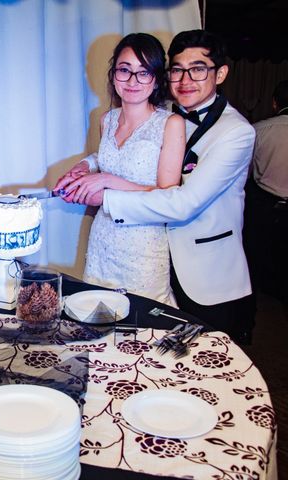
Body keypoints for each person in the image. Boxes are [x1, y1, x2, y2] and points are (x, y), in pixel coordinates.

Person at [62, 30, 256, 344]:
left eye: (198, 69)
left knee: (194, 360)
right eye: (177, 69)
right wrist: (88, 164)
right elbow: (126, 153)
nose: (185, 79)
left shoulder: (236, 133)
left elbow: (181, 202)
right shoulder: (156, 113)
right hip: (139, 250)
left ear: (220, 73)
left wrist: (107, 191)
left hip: (202, 271)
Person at [54, 32, 185, 306]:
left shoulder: (170, 124)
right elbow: (110, 157)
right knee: (96, 318)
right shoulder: (107, 119)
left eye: (143, 72)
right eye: (125, 70)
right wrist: (84, 166)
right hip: (103, 239)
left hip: (144, 245)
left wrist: (106, 180)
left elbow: (167, 194)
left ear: (156, 78)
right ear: (114, 75)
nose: (133, 81)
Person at [243, 80, 288, 304]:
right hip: (267, 206)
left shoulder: (259, 129)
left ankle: (248, 323)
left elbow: (245, 173)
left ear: (274, 103)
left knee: (255, 262)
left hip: (265, 206)